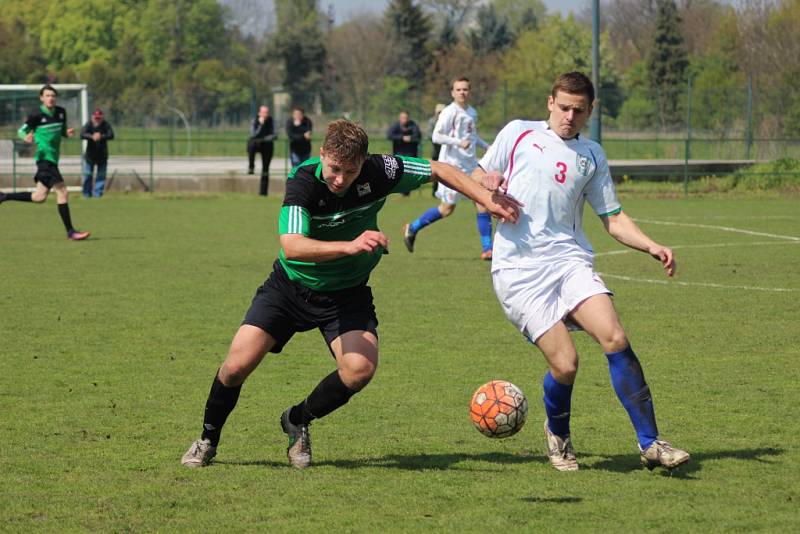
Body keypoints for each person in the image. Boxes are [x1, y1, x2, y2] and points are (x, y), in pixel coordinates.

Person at [181, 119, 519, 470]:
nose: (340, 179)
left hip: (346, 294)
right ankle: (208, 438)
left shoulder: (382, 170)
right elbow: (292, 245)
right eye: (334, 169)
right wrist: (351, 246)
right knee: (235, 367)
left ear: (364, 162)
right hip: (290, 288)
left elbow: (440, 168)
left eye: (350, 171)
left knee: (360, 369)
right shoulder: (304, 180)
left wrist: (487, 199)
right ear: (323, 154)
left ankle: (297, 419)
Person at [474, 71, 689, 472]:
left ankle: (651, 443)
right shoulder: (518, 133)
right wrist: (487, 184)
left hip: (569, 261)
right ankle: (558, 433)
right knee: (566, 364)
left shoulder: (592, 155)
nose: (569, 116)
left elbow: (613, 217)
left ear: (590, 111)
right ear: (549, 102)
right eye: (564, 107)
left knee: (615, 336)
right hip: (519, 271)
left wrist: (651, 245)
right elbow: (476, 178)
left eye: (579, 110)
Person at [402, 78, 492, 260]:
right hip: (451, 168)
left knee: (483, 202)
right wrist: (459, 142)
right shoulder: (449, 112)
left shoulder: (472, 112)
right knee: (447, 209)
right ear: (452, 92)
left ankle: (487, 249)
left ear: (469, 91)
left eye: (465, 89)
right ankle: (412, 228)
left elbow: (472, 136)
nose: (462, 92)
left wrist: (487, 146)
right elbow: (436, 136)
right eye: (458, 89)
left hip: (470, 166)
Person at [0, 84, 90, 241]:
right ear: (41, 98)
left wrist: (67, 133)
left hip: (53, 160)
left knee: (39, 197)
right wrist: (25, 137)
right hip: (44, 159)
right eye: (47, 96)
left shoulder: (61, 113)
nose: (51, 98)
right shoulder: (36, 115)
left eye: (53, 96)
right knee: (63, 192)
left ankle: (4, 196)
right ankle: (71, 232)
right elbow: (22, 130)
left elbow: (62, 131)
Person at [80, 108, 115, 198]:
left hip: (102, 155)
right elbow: (82, 134)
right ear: (92, 117)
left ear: (102, 117)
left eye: (99, 118)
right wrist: (92, 137)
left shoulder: (106, 125)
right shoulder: (88, 124)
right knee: (87, 175)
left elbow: (111, 135)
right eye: (95, 118)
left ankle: (97, 194)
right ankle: (86, 194)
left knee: (101, 176)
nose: (97, 119)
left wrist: (101, 136)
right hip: (90, 156)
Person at [386, 111, 421, 196]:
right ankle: (401, 190)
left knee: (410, 173)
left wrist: (410, 138)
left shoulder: (413, 126)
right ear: (399, 118)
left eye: (405, 117)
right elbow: (389, 135)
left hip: (411, 154)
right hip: (399, 154)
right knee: (400, 173)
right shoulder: (396, 126)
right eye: (402, 117)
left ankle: (407, 191)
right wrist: (402, 138)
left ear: (408, 118)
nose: (404, 119)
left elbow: (418, 136)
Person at [428, 103, 446, 197]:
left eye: (442, 112)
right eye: (439, 112)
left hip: (446, 151)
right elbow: (430, 135)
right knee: (435, 172)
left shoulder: (447, 121)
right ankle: (434, 191)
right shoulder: (432, 121)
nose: (440, 114)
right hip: (436, 150)